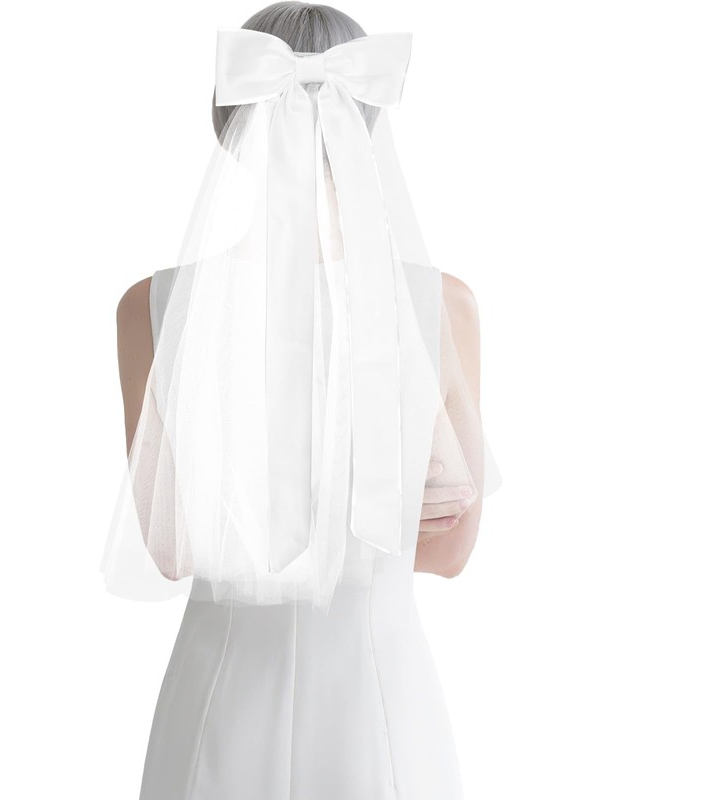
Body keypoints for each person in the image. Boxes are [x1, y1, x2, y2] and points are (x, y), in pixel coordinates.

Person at [110, 3, 496, 798]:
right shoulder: (443, 305)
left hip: (218, 695)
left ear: (230, 124)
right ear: (369, 119)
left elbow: (171, 551)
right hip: (379, 700)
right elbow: (451, 553)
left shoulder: (151, 307)